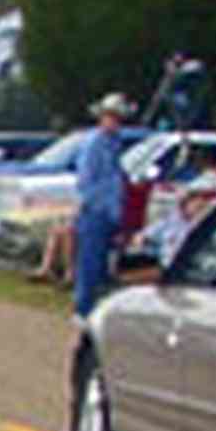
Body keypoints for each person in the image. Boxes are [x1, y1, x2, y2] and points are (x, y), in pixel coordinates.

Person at [73, 91, 133, 317]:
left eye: (118, 118)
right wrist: (98, 205)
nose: (115, 122)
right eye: (111, 116)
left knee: (102, 265)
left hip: (110, 213)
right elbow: (86, 181)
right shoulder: (94, 144)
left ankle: (94, 308)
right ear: (102, 117)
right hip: (96, 212)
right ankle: (82, 309)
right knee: (90, 263)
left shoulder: (115, 143)